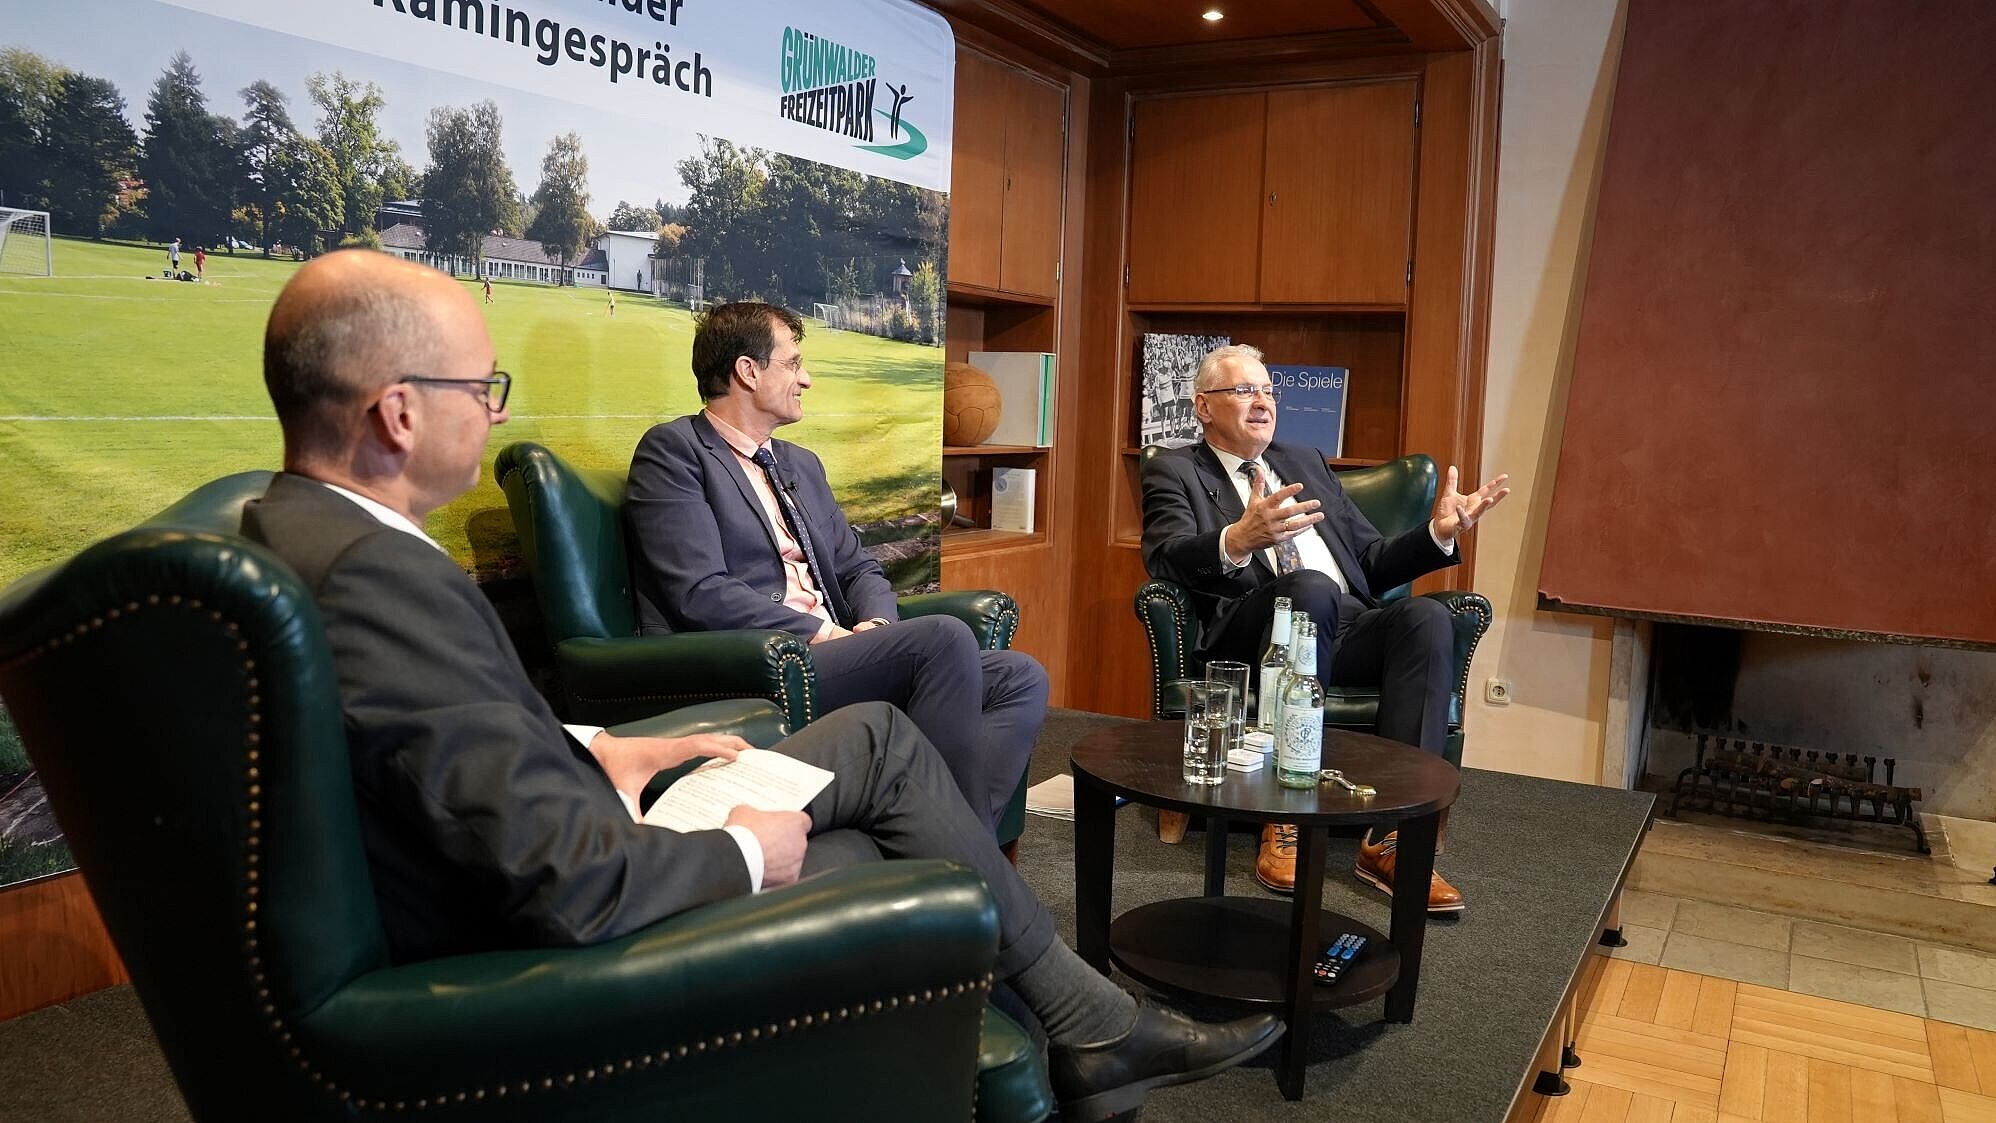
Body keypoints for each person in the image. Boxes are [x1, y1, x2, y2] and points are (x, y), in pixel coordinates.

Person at [242, 251, 1279, 1120]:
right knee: (892, 776)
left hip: (605, 810)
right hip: (593, 902)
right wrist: (743, 848)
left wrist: (601, 745)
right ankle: (1072, 1007)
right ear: (398, 412)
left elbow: (449, 748)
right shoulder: (379, 576)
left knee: (911, 735)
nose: (493, 409)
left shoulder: (311, 540)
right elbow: (562, 872)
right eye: (482, 389)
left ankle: (1053, 989)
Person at [625, 301, 1049, 834]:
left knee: (1019, 677)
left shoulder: (799, 464)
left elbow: (859, 569)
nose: (806, 379)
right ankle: (961, 852)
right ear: (748, 371)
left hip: (837, 650)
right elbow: (701, 592)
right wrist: (826, 633)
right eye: (793, 363)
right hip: (760, 662)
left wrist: (876, 626)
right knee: (943, 639)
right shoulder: (675, 452)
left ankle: (956, 841)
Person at [1140, 344, 1509, 909]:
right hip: (1250, 630)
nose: (1262, 402)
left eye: (1268, 391)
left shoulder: (1304, 461)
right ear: (1204, 407)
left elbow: (1371, 560)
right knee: (1310, 588)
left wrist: (1436, 534)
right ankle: (1283, 819)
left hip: (1343, 624)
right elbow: (1164, 557)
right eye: (1244, 390)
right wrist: (1237, 539)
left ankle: (1392, 840)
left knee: (1426, 616)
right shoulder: (1176, 469)